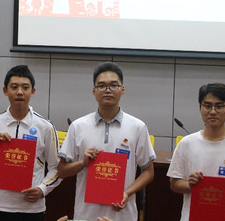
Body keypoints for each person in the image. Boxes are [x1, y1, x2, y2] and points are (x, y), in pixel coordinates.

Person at [58, 62, 155, 221]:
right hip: (86, 214)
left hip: (122, 215)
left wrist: (127, 193)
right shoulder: (78, 126)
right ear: (94, 91)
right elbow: (62, 171)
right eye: (102, 86)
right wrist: (83, 162)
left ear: (122, 89)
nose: (108, 90)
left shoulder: (137, 127)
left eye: (114, 85)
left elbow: (148, 172)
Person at [0, 65, 62, 221]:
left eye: (25, 87)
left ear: (33, 91)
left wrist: (42, 189)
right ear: (5, 91)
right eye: (14, 87)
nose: (20, 92)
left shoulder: (45, 127)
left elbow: (58, 168)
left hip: (31, 209)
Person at [167, 83, 225, 221]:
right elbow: (174, 184)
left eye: (219, 106)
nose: (212, 111)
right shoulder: (186, 143)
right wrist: (189, 185)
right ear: (200, 107)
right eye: (207, 105)